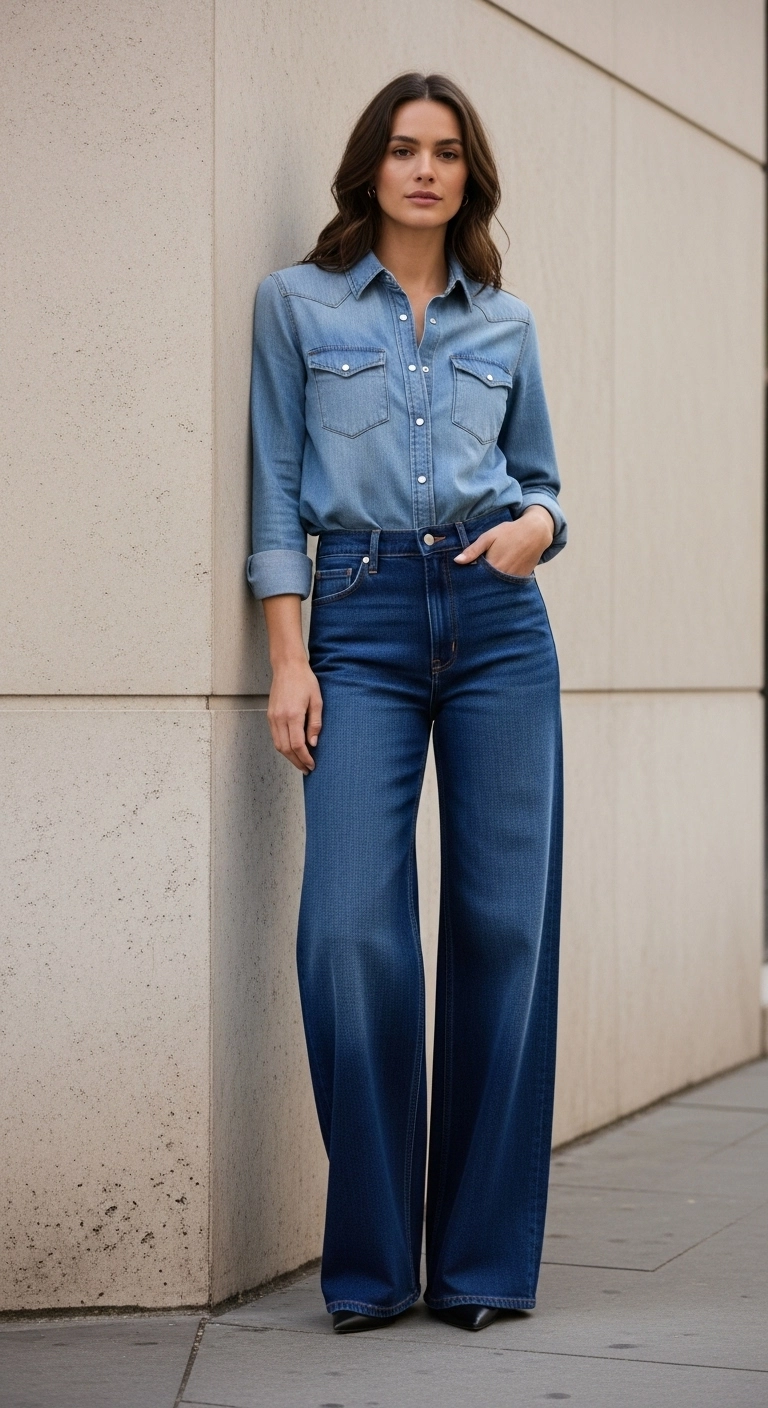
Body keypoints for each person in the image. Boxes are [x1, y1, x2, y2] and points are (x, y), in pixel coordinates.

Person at [247, 72, 566, 1334]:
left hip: (498, 621)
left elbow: (542, 478)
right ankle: (372, 1260)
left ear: (467, 174)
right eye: (401, 149)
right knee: (348, 936)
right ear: (369, 169)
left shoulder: (508, 322)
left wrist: (539, 525)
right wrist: (289, 657)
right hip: (361, 620)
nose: (422, 170)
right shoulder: (297, 304)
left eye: (443, 152)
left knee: (503, 934)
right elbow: (276, 488)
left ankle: (480, 1265)